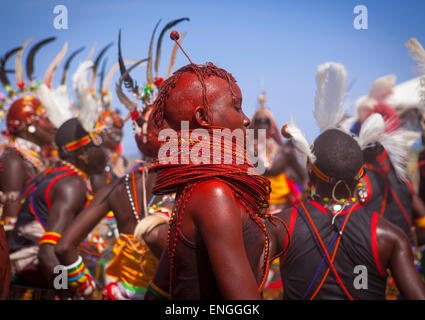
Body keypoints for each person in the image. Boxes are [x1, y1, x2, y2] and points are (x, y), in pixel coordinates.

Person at [144, 30, 288, 300]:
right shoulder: (213, 193)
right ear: (203, 116)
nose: (246, 120)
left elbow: (157, 292)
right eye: (236, 107)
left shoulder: (203, 188)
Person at [0, 38, 58, 233]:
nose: (52, 126)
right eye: (46, 119)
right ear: (29, 125)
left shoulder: (33, 158)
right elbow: (11, 225)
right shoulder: (13, 161)